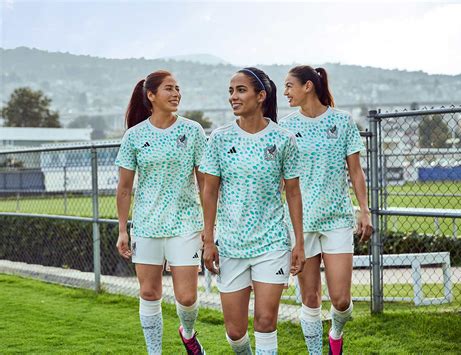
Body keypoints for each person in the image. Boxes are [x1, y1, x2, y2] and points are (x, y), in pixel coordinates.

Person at [200, 67, 305, 354]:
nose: (233, 97)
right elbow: (209, 191)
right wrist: (209, 240)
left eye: (240, 90)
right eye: (231, 91)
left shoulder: (283, 139)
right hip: (232, 244)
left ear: (261, 96)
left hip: (272, 243)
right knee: (235, 332)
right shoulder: (219, 139)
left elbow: (293, 192)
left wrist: (299, 242)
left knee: (266, 321)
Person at [280, 65, 373, 355]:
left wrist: (364, 210)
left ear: (308, 86)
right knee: (309, 297)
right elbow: (281, 180)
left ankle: (335, 333)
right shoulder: (285, 127)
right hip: (300, 223)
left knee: (341, 300)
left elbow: (356, 172)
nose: (285, 92)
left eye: (289, 86)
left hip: (337, 219)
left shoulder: (343, 122)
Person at [115, 70, 207, 355]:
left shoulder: (193, 131)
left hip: (186, 224)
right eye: (169, 88)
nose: (176, 93)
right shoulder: (134, 136)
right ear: (151, 95)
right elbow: (124, 188)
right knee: (149, 293)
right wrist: (122, 229)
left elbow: (205, 182)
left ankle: (188, 333)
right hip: (146, 225)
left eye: (178, 88)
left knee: (187, 297)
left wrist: (209, 225)